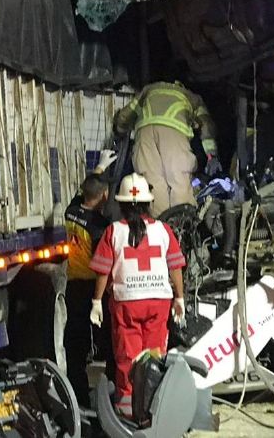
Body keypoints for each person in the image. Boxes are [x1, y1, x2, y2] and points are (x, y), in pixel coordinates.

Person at [89, 173, 186, 416]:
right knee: (155, 355)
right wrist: (180, 297)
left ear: (121, 204)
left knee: (127, 355)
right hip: (158, 302)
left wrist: (96, 301)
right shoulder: (163, 230)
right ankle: (153, 406)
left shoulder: (113, 232)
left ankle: (127, 408)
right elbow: (175, 266)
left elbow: (103, 271)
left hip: (126, 304)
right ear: (148, 203)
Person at [113, 80, 218, 216]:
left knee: (152, 182)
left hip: (144, 135)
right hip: (174, 134)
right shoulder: (191, 97)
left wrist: (120, 130)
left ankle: (158, 223)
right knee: (178, 178)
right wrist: (211, 155)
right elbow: (207, 126)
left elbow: (124, 116)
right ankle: (181, 222)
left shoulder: (148, 90)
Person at [62, 151, 117, 406]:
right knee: (108, 341)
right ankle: (109, 395)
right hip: (94, 289)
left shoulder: (71, 211)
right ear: (104, 196)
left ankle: (78, 397)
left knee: (75, 344)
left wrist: (99, 168)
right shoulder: (99, 226)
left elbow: (83, 191)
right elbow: (104, 264)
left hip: (73, 285)